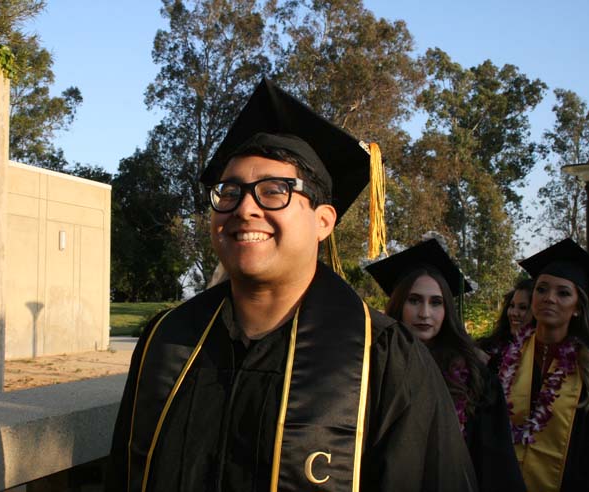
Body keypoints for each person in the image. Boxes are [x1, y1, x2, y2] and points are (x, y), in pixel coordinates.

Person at [106, 78, 477, 491]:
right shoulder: (166, 340)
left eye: (274, 191)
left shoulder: (385, 359)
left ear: (323, 222)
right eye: (230, 192)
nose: (245, 208)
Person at [365, 238, 525, 492]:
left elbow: (496, 466)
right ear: (398, 304)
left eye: (436, 302)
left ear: (447, 309)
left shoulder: (475, 377)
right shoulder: (371, 367)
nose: (425, 313)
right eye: (414, 300)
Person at [497, 238, 589, 491]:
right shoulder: (504, 359)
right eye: (542, 289)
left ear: (577, 308)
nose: (549, 298)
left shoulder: (585, 366)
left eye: (563, 293)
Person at [478, 279, 534, 370]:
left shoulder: (543, 356)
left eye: (523, 308)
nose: (514, 313)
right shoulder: (488, 348)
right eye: (511, 306)